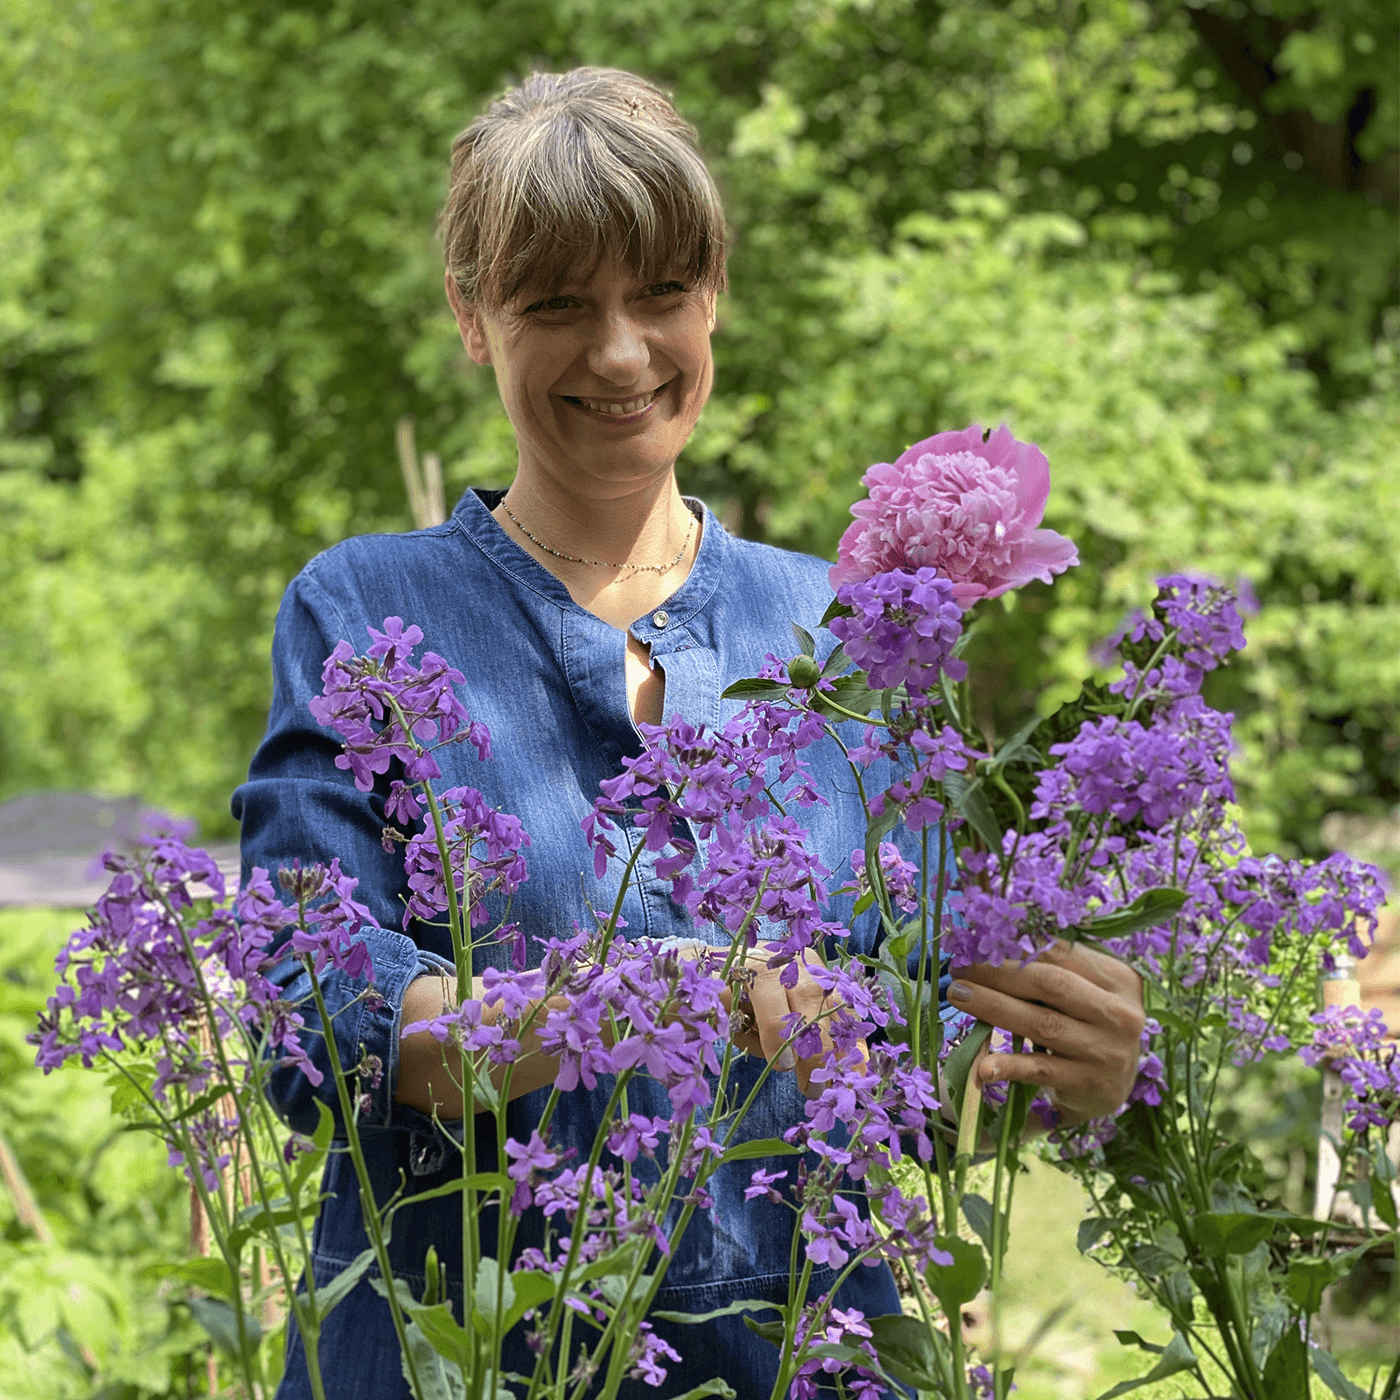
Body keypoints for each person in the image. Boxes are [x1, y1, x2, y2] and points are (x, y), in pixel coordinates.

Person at [233, 67, 1146, 1400]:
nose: (620, 353)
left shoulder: (841, 626)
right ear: (473, 318)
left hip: (808, 1362)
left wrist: (1074, 1068)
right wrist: (636, 996)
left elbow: (919, 1064)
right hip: (455, 1363)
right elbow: (315, 1026)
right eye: (556, 303)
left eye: (659, 294)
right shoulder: (367, 608)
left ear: (712, 295)